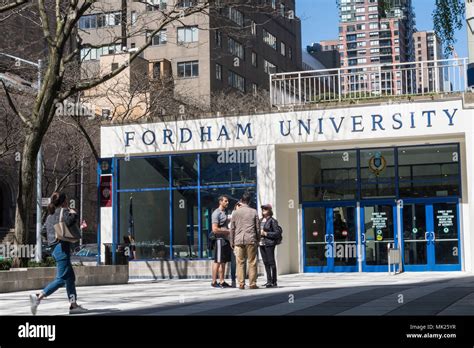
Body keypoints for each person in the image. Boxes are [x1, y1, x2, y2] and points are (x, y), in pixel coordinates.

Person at [29, 192, 88, 315]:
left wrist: (52, 239)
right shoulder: (63, 211)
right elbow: (70, 221)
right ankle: (38, 297)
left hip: (55, 248)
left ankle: (73, 305)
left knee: (70, 278)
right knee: (61, 279)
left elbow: (43, 231)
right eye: (66, 200)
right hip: (61, 248)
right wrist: (74, 213)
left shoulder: (50, 215)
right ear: (63, 202)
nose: (67, 202)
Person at [230, 192, 260, 290]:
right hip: (251, 239)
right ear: (249, 201)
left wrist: (232, 241)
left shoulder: (235, 213)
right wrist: (258, 239)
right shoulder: (254, 211)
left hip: (238, 240)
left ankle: (241, 283)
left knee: (240, 262)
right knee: (252, 262)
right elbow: (258, 228)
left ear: (241, 201)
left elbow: (232, 229)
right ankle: (252, 284)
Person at [211, 195, 232, 288]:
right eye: (225, 201)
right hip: (219, 240)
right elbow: (215, 229)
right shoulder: (216, 213)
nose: (227, 202)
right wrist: (228, 231)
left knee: (223, 262)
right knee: (217, 261)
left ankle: (222, 281)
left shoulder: (224, 212)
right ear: (220, 202)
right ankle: (214, 281)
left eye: (227, 201)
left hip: (225, 240)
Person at [259, 204, 282, 288]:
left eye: (265, 209)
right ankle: (268, 281)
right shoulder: (260, 220)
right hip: (261, 243)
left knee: (271, 262)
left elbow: (277, 233)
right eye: (262, 209)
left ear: (269, 210)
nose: (263, 210)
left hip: (269, 243)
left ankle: (274, 281)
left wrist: (266, 233)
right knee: (265, 262)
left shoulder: (272, 221)